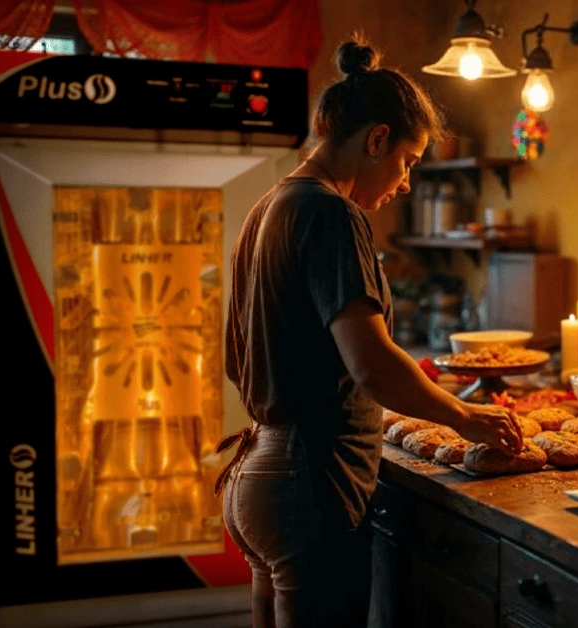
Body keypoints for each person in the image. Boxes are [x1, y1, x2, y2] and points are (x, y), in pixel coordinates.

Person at [218, 37, 524, 627]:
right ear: (377, 139)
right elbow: (373, 365)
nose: (407, 182)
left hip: (260, 471)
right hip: (307, 484)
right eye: (408, 161)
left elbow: (239, 360)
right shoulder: (332, 212)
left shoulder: (268, 208)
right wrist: (467, 418)